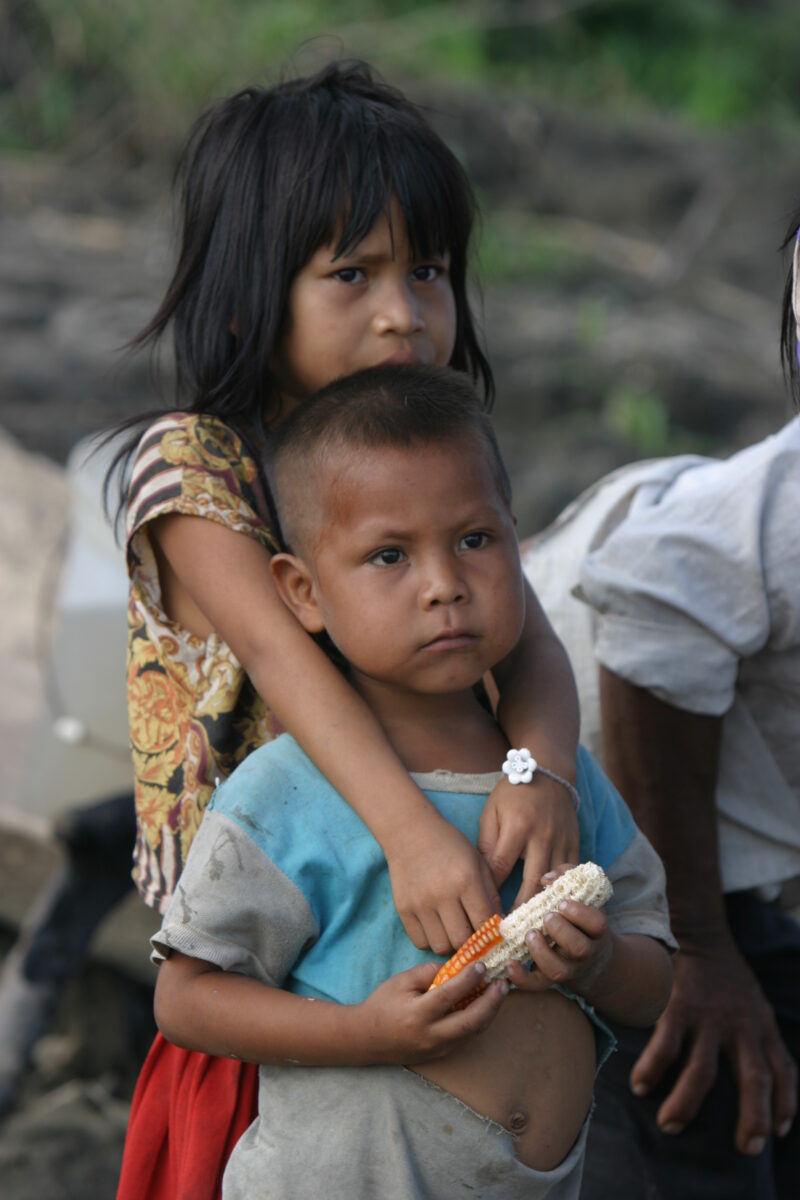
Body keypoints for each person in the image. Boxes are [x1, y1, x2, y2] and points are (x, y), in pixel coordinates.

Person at [112, 61, 583, 1199]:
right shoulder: (194, 465)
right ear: (247, 297)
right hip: (273, 972)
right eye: (352, 274)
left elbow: (530, 646)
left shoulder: (429, 451)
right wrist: (415, 836)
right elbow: (284, 659)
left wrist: (536, 773)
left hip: (444, 946)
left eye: (425, 271)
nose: (403, 312)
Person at [150, 363, 675, 1200]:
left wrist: (600, 962)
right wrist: (366, 1034)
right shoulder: (287, 794)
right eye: (388, 555)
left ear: (518, 541)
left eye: (475, 540)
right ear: (303, 593)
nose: (444, 586)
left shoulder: (559, 788)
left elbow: (658, 982)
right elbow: (187, 1001)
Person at [521, 222, 800, 1199]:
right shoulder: (780, 509)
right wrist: (699, 944)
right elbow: (649, 598)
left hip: (723, 838)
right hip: (585, 825)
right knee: (689, 1090)